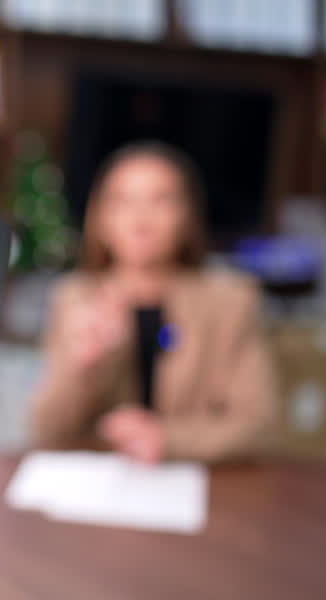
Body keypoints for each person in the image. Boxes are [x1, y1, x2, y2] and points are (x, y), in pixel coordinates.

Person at [28, 142, 278, 464]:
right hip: (100, 484)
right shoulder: (76, 298)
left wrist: (168, 438)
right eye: (123, 201)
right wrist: (85, 368)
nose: (140, 217)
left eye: (161, 199)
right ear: (100, 218)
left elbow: (261, 425)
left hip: (196, 484)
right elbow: (46, 430)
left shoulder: (230, 302)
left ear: (187, 217)